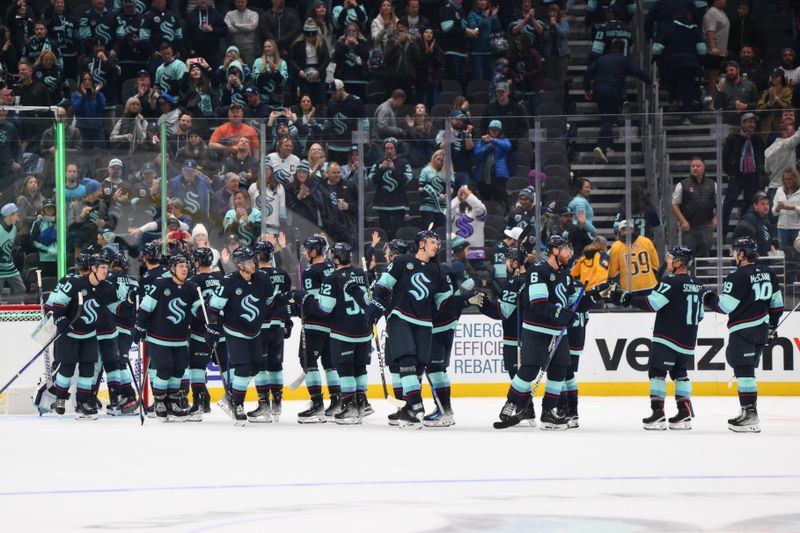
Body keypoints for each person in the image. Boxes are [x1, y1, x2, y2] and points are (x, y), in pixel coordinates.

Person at [494, 235, 587, 430]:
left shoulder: (566, 275)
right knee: (529, 370)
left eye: (569, 249)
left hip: (558, 333)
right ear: (554, 251)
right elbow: (538, 303)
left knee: (559, 370)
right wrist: (561, 313)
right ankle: (511, 403)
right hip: (536, 330)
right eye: (565, 249)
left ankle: (549, 412)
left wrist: (594, 296)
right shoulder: (538, 271)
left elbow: (573, 304)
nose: (569, 253)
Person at [612, 246, 704, 430]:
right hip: (687, 340)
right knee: (681, 374)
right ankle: (684, 414)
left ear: (679, 262)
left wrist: (626, 299)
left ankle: (658, 414)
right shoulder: (698, 284)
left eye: (670, 258)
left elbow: (652, 303)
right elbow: (700, 315)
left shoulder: (670, 282)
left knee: (657, 373)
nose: (667, 261)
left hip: (667, 337)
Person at [367, 230, 449, 427]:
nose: (436, 246)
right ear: (421, 243)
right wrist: (378, 306)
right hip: (400, 318)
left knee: (419, 366)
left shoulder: (437, 270)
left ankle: (407, 410)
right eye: (432, 242)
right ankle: (416, 404)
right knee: (407, 359)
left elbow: (443, 298)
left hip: (424, 322)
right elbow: (381, 287)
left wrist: (436, 312)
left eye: (437, 243)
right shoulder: (403, 261)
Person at [704, 236, 783, 432]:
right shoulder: (768, 272)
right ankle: (747, 411)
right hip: (762, 328)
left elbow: (724, 306)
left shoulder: (737, 276)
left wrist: (707, 296)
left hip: (744, 329)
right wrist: (772, 326)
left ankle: (750, 414)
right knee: (745, 370)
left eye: (734, 250)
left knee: (744, 370)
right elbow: (777, 304)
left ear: (741, 253)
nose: (732, 254)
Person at [46, 253, 118, 418]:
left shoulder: (107, 287)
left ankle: (83, 402)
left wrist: (128, 304)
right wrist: (61, 320)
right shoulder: (75, 282)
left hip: (90, 334)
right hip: (70, 333)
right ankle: (60, 398)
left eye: (107, 267)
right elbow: (58, 303)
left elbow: (116, 308)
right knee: (67, 367)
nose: (106, 271)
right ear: (93, 268)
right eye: (102, 267)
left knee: (88, 369)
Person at [206, 246, 272, 424]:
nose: (253, 264)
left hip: (254, 331)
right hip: (234, 331)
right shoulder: (228, 282)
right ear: (239, 264)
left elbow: (270, 302)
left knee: (257, 366)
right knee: (243, 368)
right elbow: (214, 308)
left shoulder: (263, 279)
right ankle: (237, 404)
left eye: (254, 260)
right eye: (249, 261)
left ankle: (232, 394)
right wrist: (213, 327)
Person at [310, 242, 371, 424]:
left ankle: (349, 406)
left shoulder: (331, 278)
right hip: (364, 331)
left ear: (335, 258)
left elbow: (325, 309)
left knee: (345, 370)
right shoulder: (362, 273)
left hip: (343, 332)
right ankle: (361, 403)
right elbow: (369, 301)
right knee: (360, 368)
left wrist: (307, 301)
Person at [426, 235, 483, 426]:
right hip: (450, 323)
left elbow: (450, 298)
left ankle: (443, 411)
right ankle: (445, 409)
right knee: (439, 369)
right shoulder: (451, 269)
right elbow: (465, 288)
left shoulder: (441, 271)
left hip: (439, 326)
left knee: (435, 369)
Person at [291, 235, 340, 422]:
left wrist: (300, 298)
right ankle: (337, 401)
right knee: (329, 363)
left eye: (306, 249)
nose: (304, 252)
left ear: (313, 252)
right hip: (333, 324)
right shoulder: (332, 268)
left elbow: (313, 302)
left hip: (315, 324)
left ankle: (317, 403)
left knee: (308, 361)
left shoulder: (311, 272)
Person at [584, 39, 652, 163]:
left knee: (606, 118)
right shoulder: (623, 60)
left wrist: (587, 89)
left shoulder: (602, 59)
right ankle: (601, 146)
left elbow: (588, 73)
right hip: (612, 91)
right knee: (608, 121)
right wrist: (651, 82)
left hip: (598, 90)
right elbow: (638, 72)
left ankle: (609, 146)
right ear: (623, 49)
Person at [251, 240, 291, 422]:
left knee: (260, 366)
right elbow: (286, 300)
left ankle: (263, 404)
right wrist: (287, 321)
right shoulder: (283, 274)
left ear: (258, 256)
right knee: (276, 366)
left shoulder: (255, 276)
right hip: (278, 325)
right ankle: (277, 403)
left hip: (261, 326)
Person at [651, 9, 706, 125]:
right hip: (690, 63)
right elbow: (701, 49)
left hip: (671, 63)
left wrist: (655, 58)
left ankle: (674, 100)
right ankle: (687, 117)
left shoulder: (668, 29)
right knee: (687, 89)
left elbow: (656, 48)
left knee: (672, 82)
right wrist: (700, 62)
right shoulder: (695, 30)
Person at [480, 247, 526, 380]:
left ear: (515, 263)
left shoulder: (513, 283)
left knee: (516, 375)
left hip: (513, 337)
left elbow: (501, 312)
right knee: (525, 376)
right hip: (530, 337)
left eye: (507, 260)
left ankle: (519, 401)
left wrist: (482, 303)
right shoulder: (532, 278)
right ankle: (523, 401)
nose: (505, 263)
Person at [722, 112, 765, 234]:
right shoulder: (732, 138)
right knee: (728, 202)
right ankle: (723, 230)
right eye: (749, 122)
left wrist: (759, 171)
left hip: (752, 176)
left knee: (749, 203)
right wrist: (730, 172)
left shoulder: (758, 139)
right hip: (737, 175)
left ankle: (743, 229)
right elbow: (725, 157)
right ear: (743, 123)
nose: (752, 124)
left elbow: (761, 156)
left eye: (754, 122)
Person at [367, 137, 412, 240]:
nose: (389, 150)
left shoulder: (403, 162)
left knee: (398, 230)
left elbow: (406, 180)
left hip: (399, 203)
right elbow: (372, 180)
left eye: (391, 148)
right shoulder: (378, 162)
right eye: (387, 148)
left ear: (395, 149)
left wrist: (394, 169)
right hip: (382, 203)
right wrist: (381, 169)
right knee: (385, 231)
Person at [672, 156, 717, 257]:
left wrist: (716, 218)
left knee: (705, 252)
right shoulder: (682, 184)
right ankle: (690, 273)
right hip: (689, 226)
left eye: (698, 166)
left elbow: (720, 203)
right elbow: (674, 204)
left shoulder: (712, 184)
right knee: (689, 253)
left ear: (703, 168)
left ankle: (703, 273)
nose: (695, 168)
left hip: (706, 225)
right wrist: (682, 221)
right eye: (693, 166)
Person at [608, 220, 659, 292]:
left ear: (619, 232)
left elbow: (612, 273)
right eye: (624, 229)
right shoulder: (646, 241)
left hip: (629, 287)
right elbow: (655, 264)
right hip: (649, 284)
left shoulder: (616, 246)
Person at [289, 19, 329, 107]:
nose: (310, 38)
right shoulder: (298, 43)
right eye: (308, 36)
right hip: (303, 73)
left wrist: (319, 71)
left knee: (320, 100)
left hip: (318, 72)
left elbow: (326, 59)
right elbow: (291, 59)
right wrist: (299, 70)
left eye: (312, 35)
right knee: (305, 98)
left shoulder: (321, 42)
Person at [473, 120, 511, 206]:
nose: (494, 131)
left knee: (499, 200)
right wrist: (489, 145)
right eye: (492, 129)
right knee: (484, 201)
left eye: (496, 130)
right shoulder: (481, 141)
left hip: (498, 175)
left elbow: (507, 147)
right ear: (489, 130)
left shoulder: (504, 140)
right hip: (483, 175)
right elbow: (477, 154)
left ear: (500, 131)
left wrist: (492, 140)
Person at [765, 123, 800, 201]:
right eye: (792, 131)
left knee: (773, 213)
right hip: (786, 189)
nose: (794, 132)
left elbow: (767, 170)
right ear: (785, 133)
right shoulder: (787, 144)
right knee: (787, 212)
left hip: (772, 188)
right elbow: (798, 135)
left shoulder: (767, 150)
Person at [733, 191, 775, 256]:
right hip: (751, 261)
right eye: (762, 204)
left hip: (763, 261)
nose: (766, 206)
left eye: (767, 203)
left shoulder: (767, 222)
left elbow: (767, 240)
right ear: (755, 206)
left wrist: (770, 247)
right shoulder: (749, 219)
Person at [419, 149, 452, 230]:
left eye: (442, 161)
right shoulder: (426, 170)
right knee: (428, 231)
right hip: (427, 206)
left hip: (442, 208)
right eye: (438, 159)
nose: (439, 162)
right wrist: (430, 192)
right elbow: (420, 188)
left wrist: (446, 195)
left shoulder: (448, 172)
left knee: (442, 231)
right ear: (434, 158)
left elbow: (451, 188)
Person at [467, 0, 500, 81]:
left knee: (491, 78)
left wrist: (494, 17)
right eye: (480, 0)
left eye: (485, 0)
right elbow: (474, 29)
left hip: (490, 51)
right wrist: (484, 20)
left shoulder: (490, 15)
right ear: (476, 2)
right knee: (479, 79)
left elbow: (497, 30)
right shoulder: (472, 14)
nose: (483, 2)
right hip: (477, 52)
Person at [451, 186, 487, 260]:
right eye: (462, 194)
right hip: (458, 253)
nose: (464, 196)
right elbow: (446, 212)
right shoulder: (455, 210)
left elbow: (480, 208)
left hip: (476, 253)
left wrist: (469, 196)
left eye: (466, 194)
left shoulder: (478, 210)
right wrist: (458, 198)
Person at [703, 0, 729, 98]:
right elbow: (710, 31)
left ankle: (716, 100)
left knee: (718, 77)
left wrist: (724, 48)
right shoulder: (712, 13)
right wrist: (713, 47)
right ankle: (711, 101)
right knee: (712, 78)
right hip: (712, 52)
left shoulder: (721, 12)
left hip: (721, 51)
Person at [0, 203, 25, 294]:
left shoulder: (14, 228)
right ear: (10, 215)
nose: (17, 218)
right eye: (16, 215)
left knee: (21, 290)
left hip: (10, 266)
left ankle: (14, 308)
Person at [772, 169, 800, 249]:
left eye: (790, 179)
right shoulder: (779, 191)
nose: (788, 181)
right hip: (782, 227)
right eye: (786, 179)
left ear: (795, 179)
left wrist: (794, 208)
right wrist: (777, 208)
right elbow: (774, 213)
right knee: (784, 254)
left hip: (796, 228)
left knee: (797, 254)